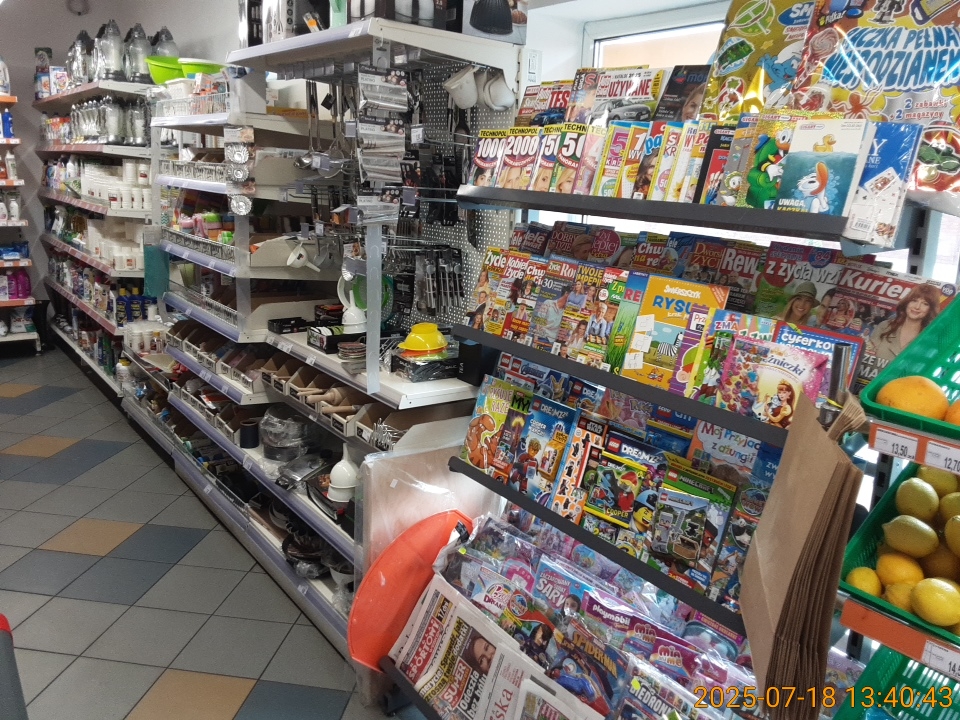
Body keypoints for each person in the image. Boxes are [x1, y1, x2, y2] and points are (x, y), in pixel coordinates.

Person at [869, 283, 941, 365]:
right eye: (914, 300)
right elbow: (868, 354)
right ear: (907, 302)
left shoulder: (929, 339)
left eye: (925, 304)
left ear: (930, 309)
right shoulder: (884, 326)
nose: (917, 307)